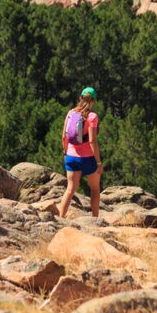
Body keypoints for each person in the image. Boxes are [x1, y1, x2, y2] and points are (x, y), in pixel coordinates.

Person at [59, 86, 101, 219]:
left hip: (71, 156)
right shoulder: (92, 116)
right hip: (87, 158)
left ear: (80, 98)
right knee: (94, 189)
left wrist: (65, 153)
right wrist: (99, 162)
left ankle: (60, 219)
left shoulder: (71, 113)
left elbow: (64, 137)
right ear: (93, 101)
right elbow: (92, 141)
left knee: (70, 189)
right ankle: (95, 220)